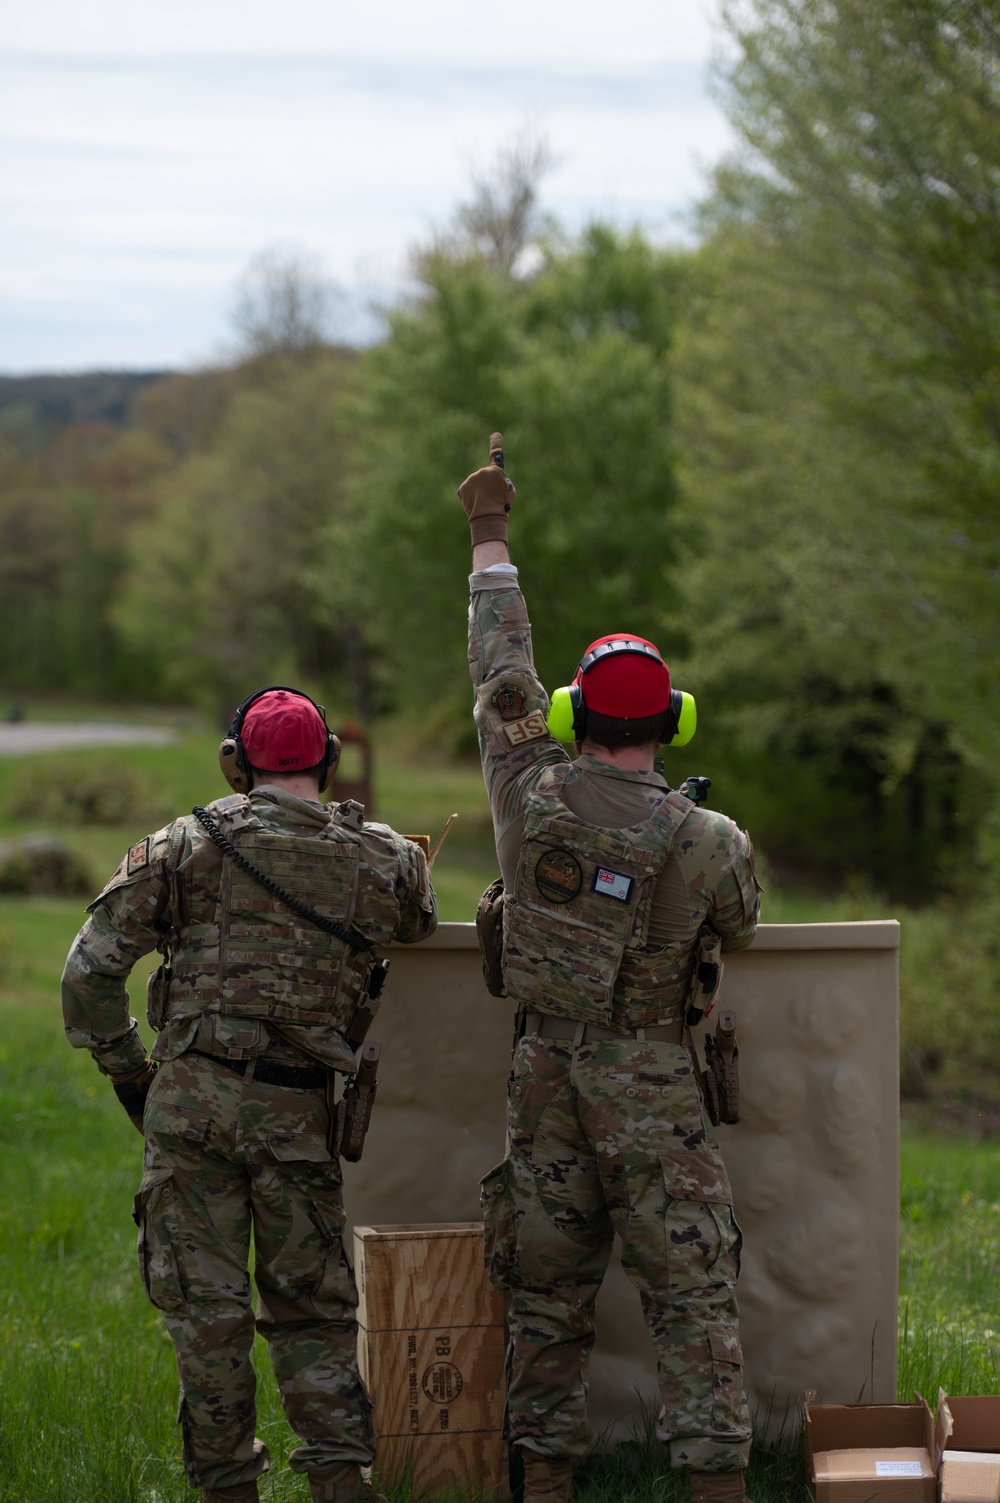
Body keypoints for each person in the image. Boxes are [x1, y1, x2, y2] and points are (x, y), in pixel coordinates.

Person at [459, 439, 761, 1503]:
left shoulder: (520, 794)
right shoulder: (711, 838)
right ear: (673, 723)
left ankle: (541, 1486)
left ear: (568, 719)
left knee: (544, 1298)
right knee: (692, 1298)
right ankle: (715, 1488)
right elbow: (744, 921)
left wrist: (490, 536)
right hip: (652, 1087)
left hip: (542, 1080)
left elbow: (500, 669)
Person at [62, 687, 437, 1503]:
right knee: (313, 1309)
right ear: (330, 760)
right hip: (299, 1113)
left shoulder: (183, 844)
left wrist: (130, 1069)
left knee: (208, 1313)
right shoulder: (382, 857)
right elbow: (417, 919)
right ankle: (340, 1478)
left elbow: (87, 972)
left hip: (191, 1108)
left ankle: (228, 1486)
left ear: (235, 763)